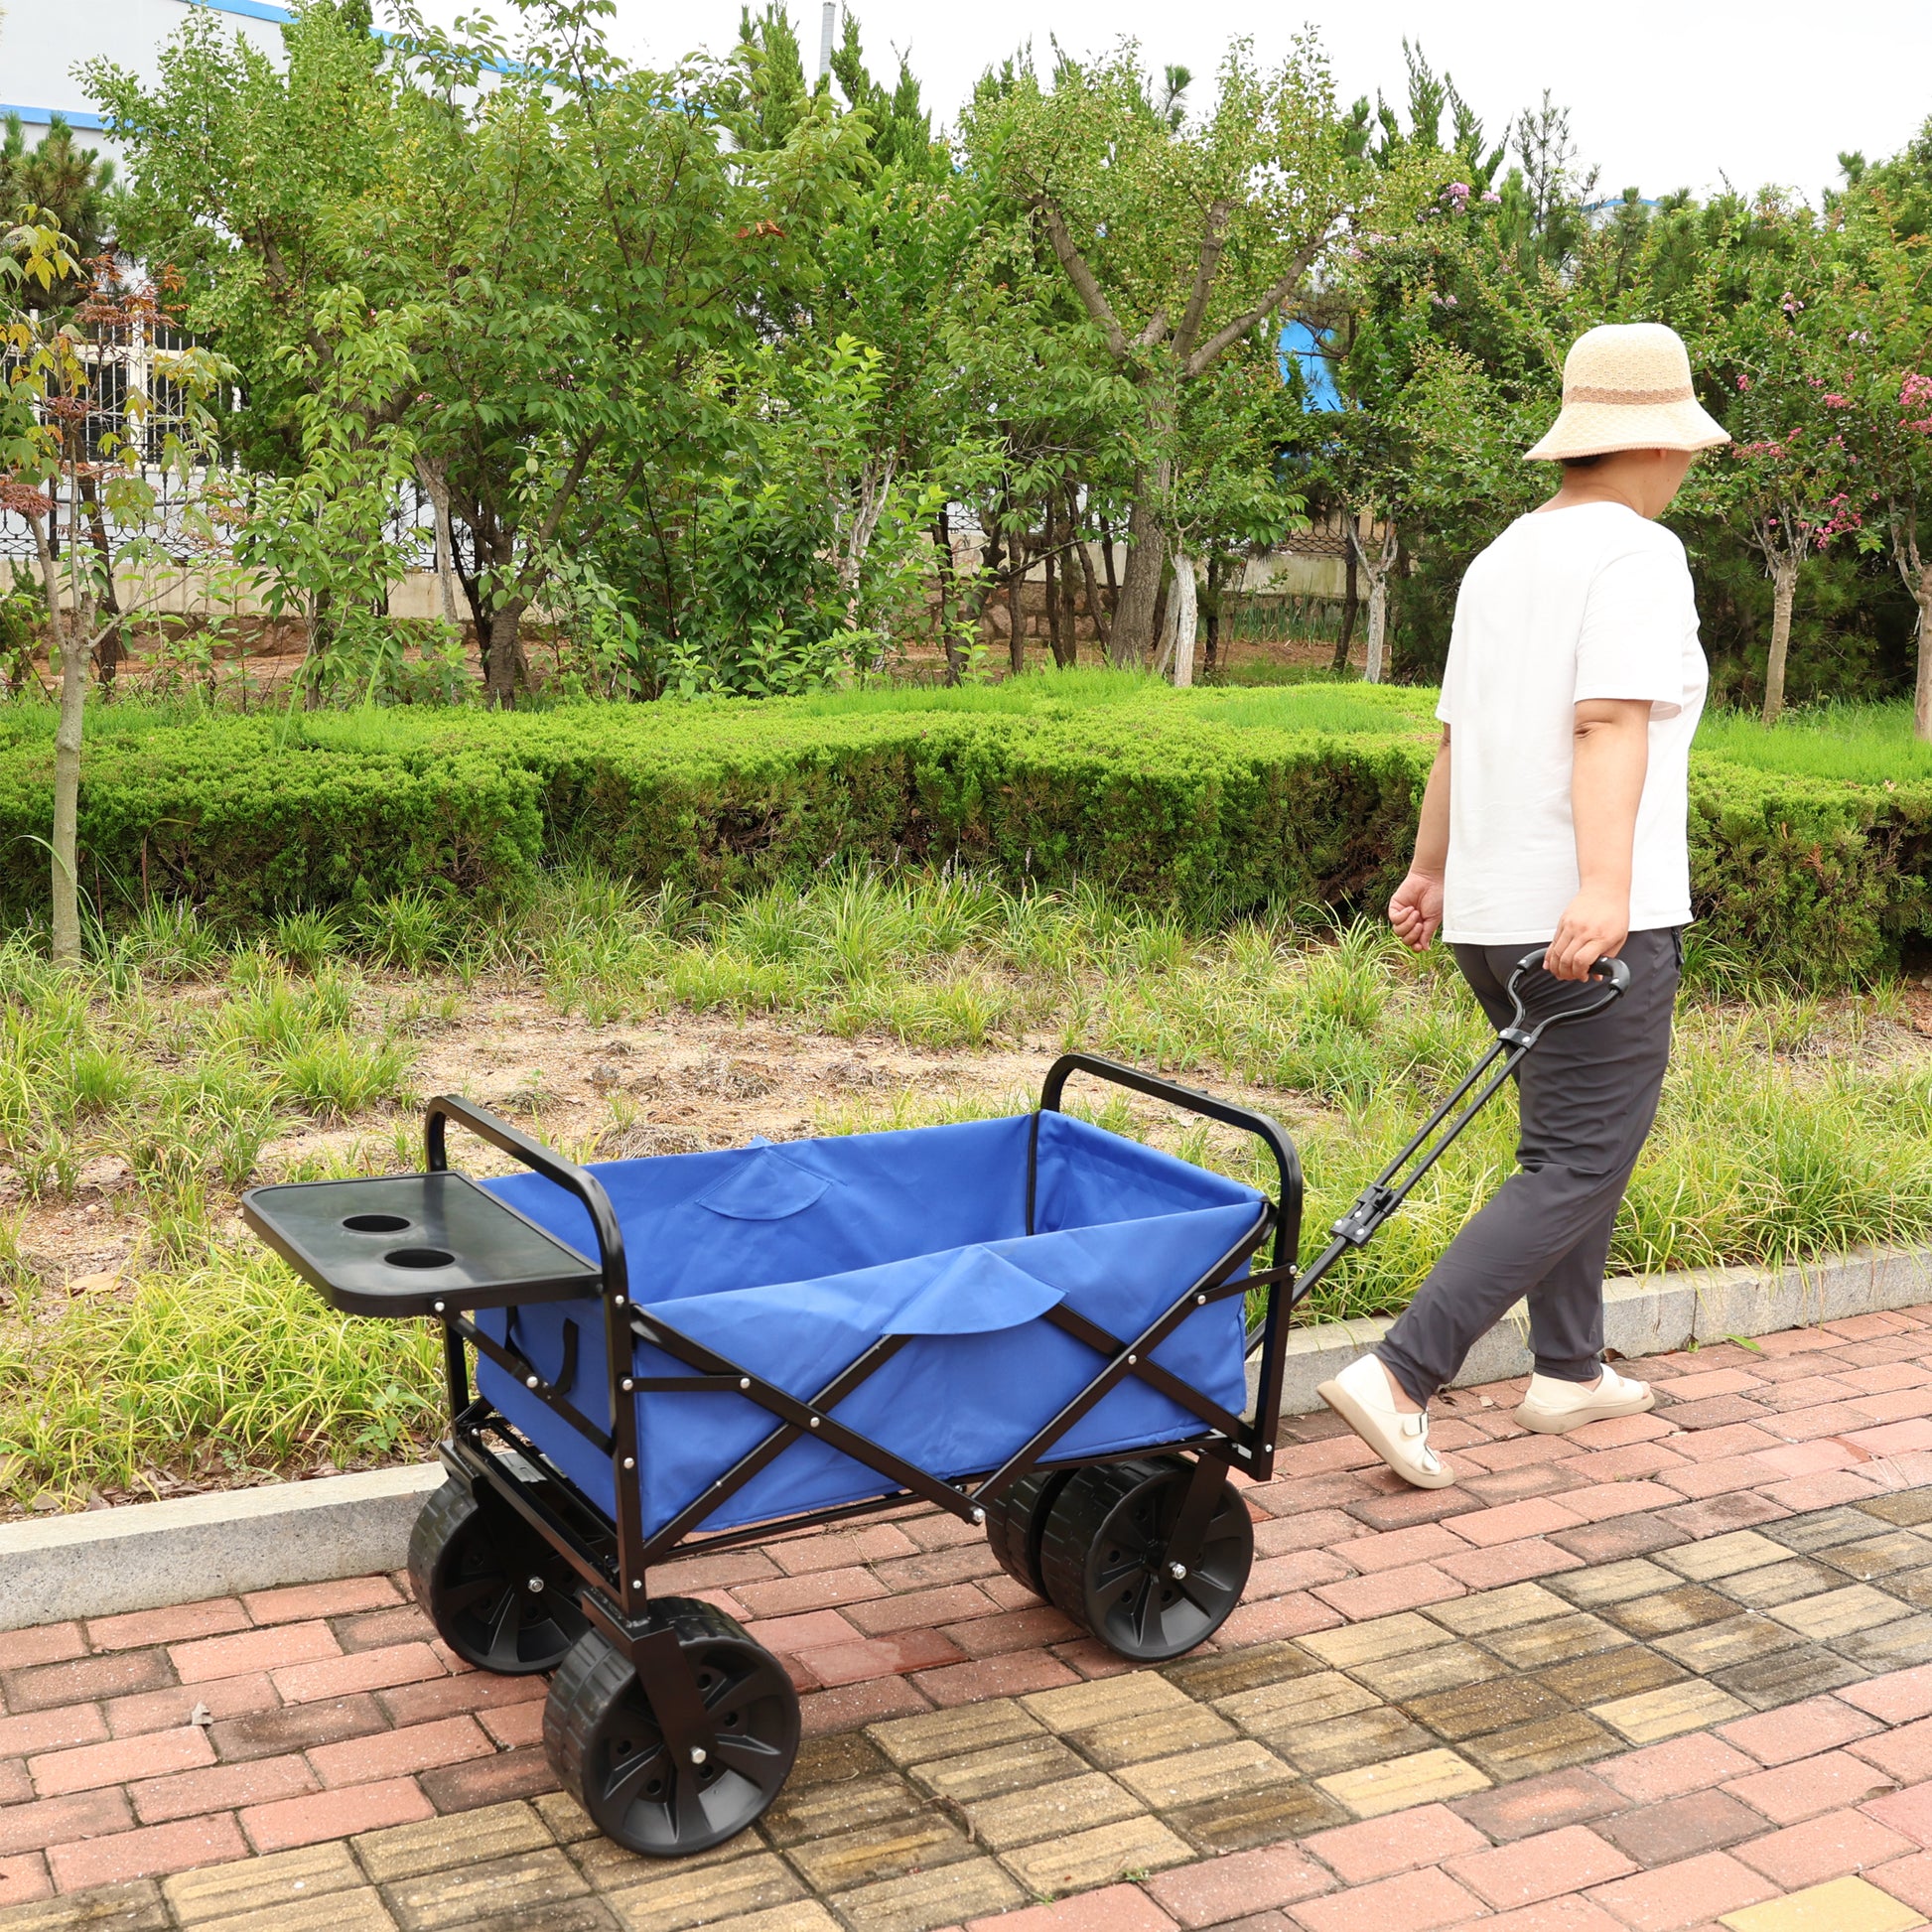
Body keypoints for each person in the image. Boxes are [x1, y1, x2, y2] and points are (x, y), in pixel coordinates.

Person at [1315, 321, 1730, 1490]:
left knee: (1566, 1148)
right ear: (1654, 441)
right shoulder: (1638, 556)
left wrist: (1428, 868)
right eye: (1685, 444)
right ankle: (1401, 1373)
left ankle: (1568, 1366)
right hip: (1591, 913)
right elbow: (1606, 720)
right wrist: (1605, 885)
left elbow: (1456, 733)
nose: (1689, 464)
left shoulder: (1501, 554)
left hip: (1490, 916)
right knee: (1578, 1159)